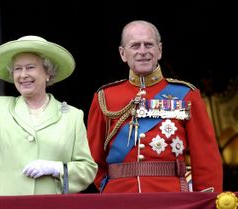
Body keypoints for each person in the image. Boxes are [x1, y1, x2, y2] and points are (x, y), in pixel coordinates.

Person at [0, 33, 97, 196]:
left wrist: (57, 168)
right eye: (17, 69)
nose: (23, 75)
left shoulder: (71, 117)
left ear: (47, 72)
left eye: (30, 67)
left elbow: (87, 170)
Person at [87, 20, 223, 193]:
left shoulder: (187, 94)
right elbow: (93, 160)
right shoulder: (104, 97)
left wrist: (207, 200)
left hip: (171, 197)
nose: (143, 51)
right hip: (118, 197)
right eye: (135, 46)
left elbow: (206, 158)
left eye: (149, 45)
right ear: (123, 53)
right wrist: (109, 190)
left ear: (159, 50)